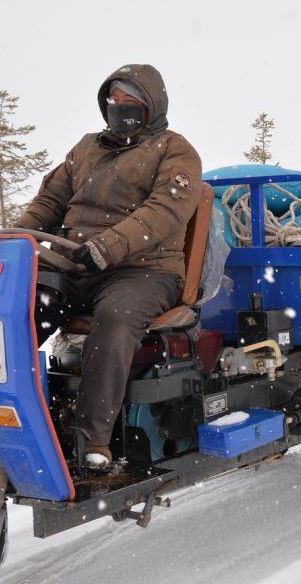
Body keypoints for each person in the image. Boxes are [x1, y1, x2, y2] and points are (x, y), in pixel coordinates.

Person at [15, 64, 203, 470]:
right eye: (113, 101)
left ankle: (94, 440)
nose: (120, 109)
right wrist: (16, 235)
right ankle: (10, 411)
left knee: (115, 318)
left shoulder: (175, 150)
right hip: (77, 263)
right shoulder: (86, 149)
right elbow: (49, 202)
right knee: (19, 308)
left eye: (130, 103)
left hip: (145, 270)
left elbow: (164, 210)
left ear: (152, 106)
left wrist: (110, 245)